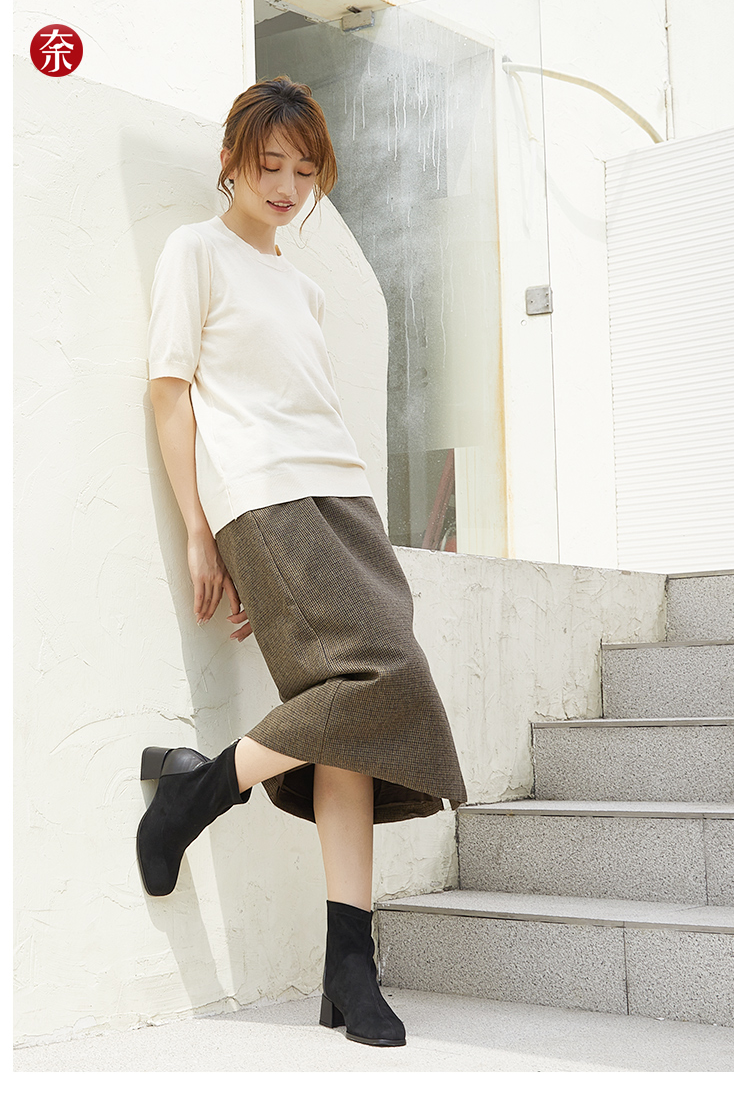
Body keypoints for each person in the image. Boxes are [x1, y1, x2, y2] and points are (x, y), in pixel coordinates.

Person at [136, 76, 467, 1048]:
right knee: (382, 679)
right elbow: (170, 392)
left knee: (353, 723)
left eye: (304, 170)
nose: (286, 186)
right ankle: (200, 793)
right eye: (268, 164)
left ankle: (347, 970)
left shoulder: (305, 286)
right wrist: (202, 531)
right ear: (230, 163)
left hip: (344, 501)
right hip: (262, 497)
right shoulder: (195, 251)